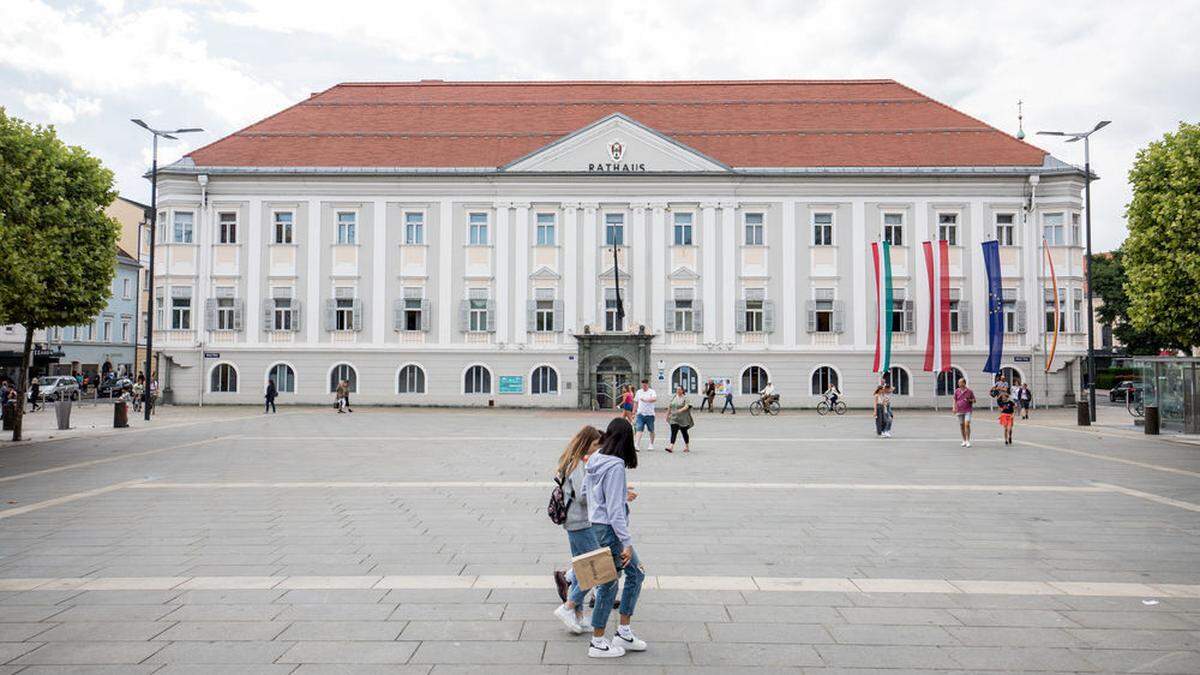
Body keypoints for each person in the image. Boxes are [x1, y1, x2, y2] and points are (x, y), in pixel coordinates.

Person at [584, 418, 647, 658]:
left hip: (597, 526)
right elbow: (614, 512)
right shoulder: (615, 466)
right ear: (627, 440)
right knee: (610, 582)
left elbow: (587, 494)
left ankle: (623, 631)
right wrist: (627, 543)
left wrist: (621, 494)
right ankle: (598, 642)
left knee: (635, 574)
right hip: (610, 529)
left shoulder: (595, 460)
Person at [552, 425, 604, 634]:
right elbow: (583, 496)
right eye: (593, 445)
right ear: (586, 443)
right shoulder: (577, 465)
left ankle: (580, 616)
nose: (595, 449)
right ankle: (568, 607)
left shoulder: (571, 460)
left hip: (574, 521)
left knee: (583, 567)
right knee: (596, 569)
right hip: (580, 521)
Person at [665, 385, 693, 453]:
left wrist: (680, 410)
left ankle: (687, 446)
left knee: (684, 432)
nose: (678, 391)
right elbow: (670, 406)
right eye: (677, 389)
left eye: (679, 389)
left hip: (683, 418)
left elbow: (687, 406)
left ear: (682, 390)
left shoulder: (685, 398)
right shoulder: (674, 397)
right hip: (674, 418)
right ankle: (671, 447)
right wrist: (667, 415)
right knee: (674, 431)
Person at [632, 380, 656, 451]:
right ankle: (636, 444)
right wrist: (633, 412)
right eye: (643, 385)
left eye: (645, 385)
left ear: (648, 384)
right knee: (639, 429)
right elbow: (636, 402)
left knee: (651, 430)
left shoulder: (652, 392)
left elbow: (654, 399)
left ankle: (651, 444)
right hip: (640, 414)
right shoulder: (639, 392)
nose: (644, 386)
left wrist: (646, 400)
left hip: (650, 414)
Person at [954, 378, 976, 447]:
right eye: (958, 382)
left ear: (964, 383)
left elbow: (974, 400)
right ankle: (963, 440)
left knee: (967, 424)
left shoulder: (969, 391)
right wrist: (954, 407)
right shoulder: (957, 391)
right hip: (959, 410)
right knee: (961, 425)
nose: (959, 384)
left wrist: (969, 400)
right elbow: (954, 400)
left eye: (960, 382)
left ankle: (968, 440)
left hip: (967, 410)